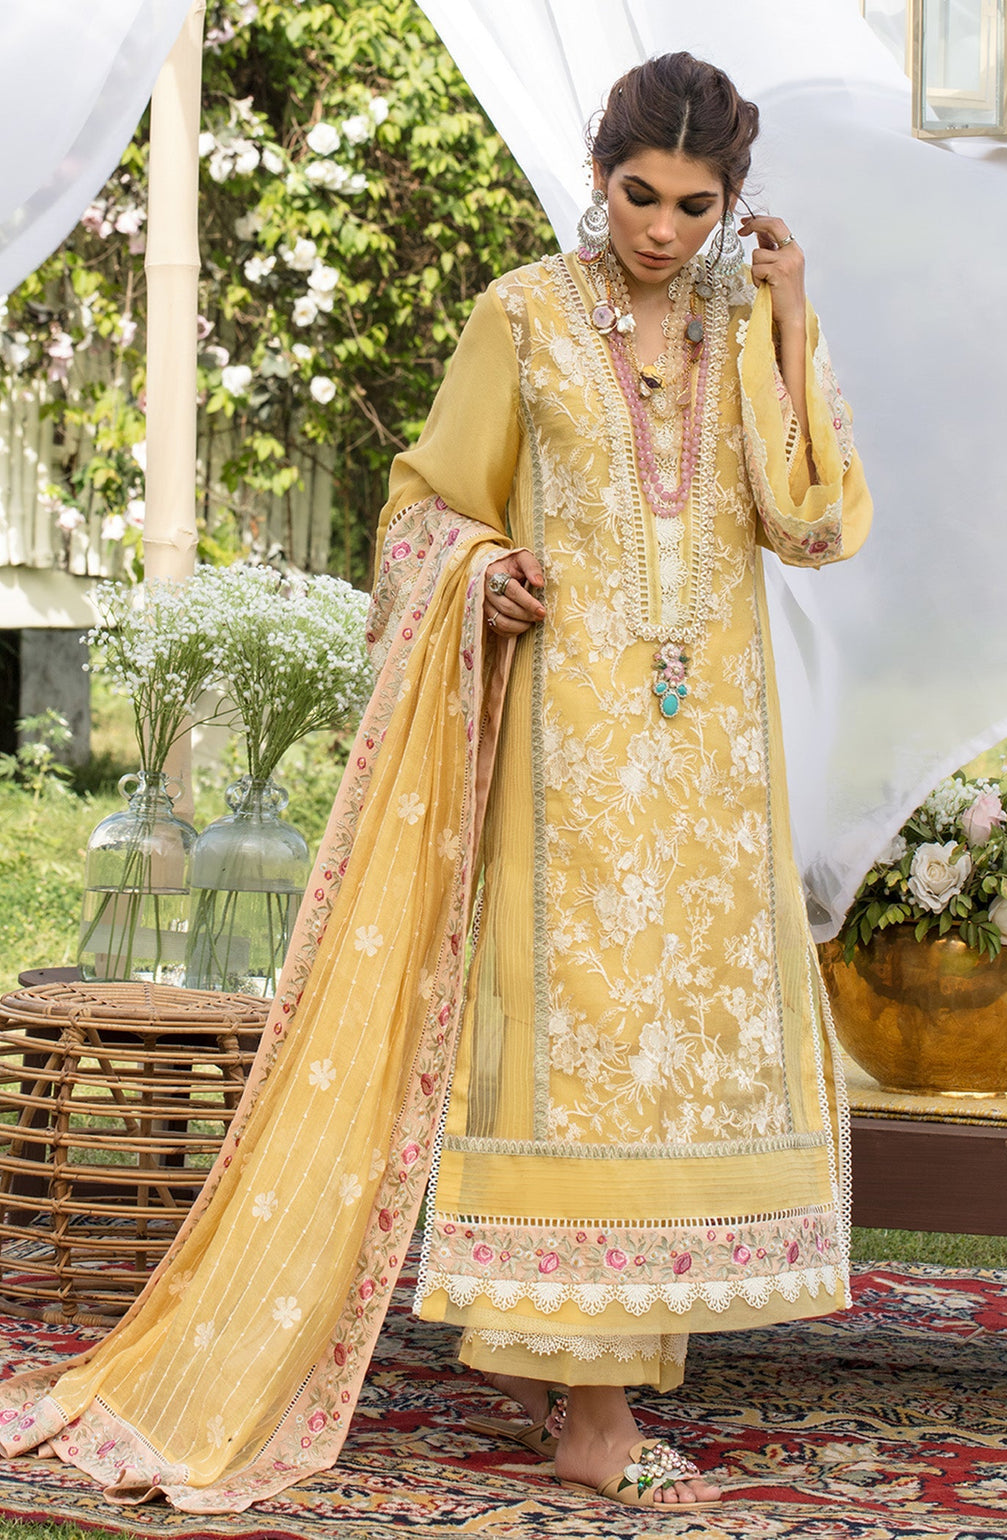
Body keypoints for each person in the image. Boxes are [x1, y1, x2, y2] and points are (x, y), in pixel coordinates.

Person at [0, 51, 870, 1514]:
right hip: (565, 749)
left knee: (666, 1056)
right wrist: (485, 572)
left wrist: (792, 316)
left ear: (734, 203)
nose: (662, 230)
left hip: (714, 760)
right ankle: (592, 1413)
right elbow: (422, 511)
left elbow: (812, 525)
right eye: (638, 194)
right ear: (598, 175)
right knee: (580, 1048)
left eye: (696, 205)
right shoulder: (522, 315)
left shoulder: (748, 325)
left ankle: (564, 1369)